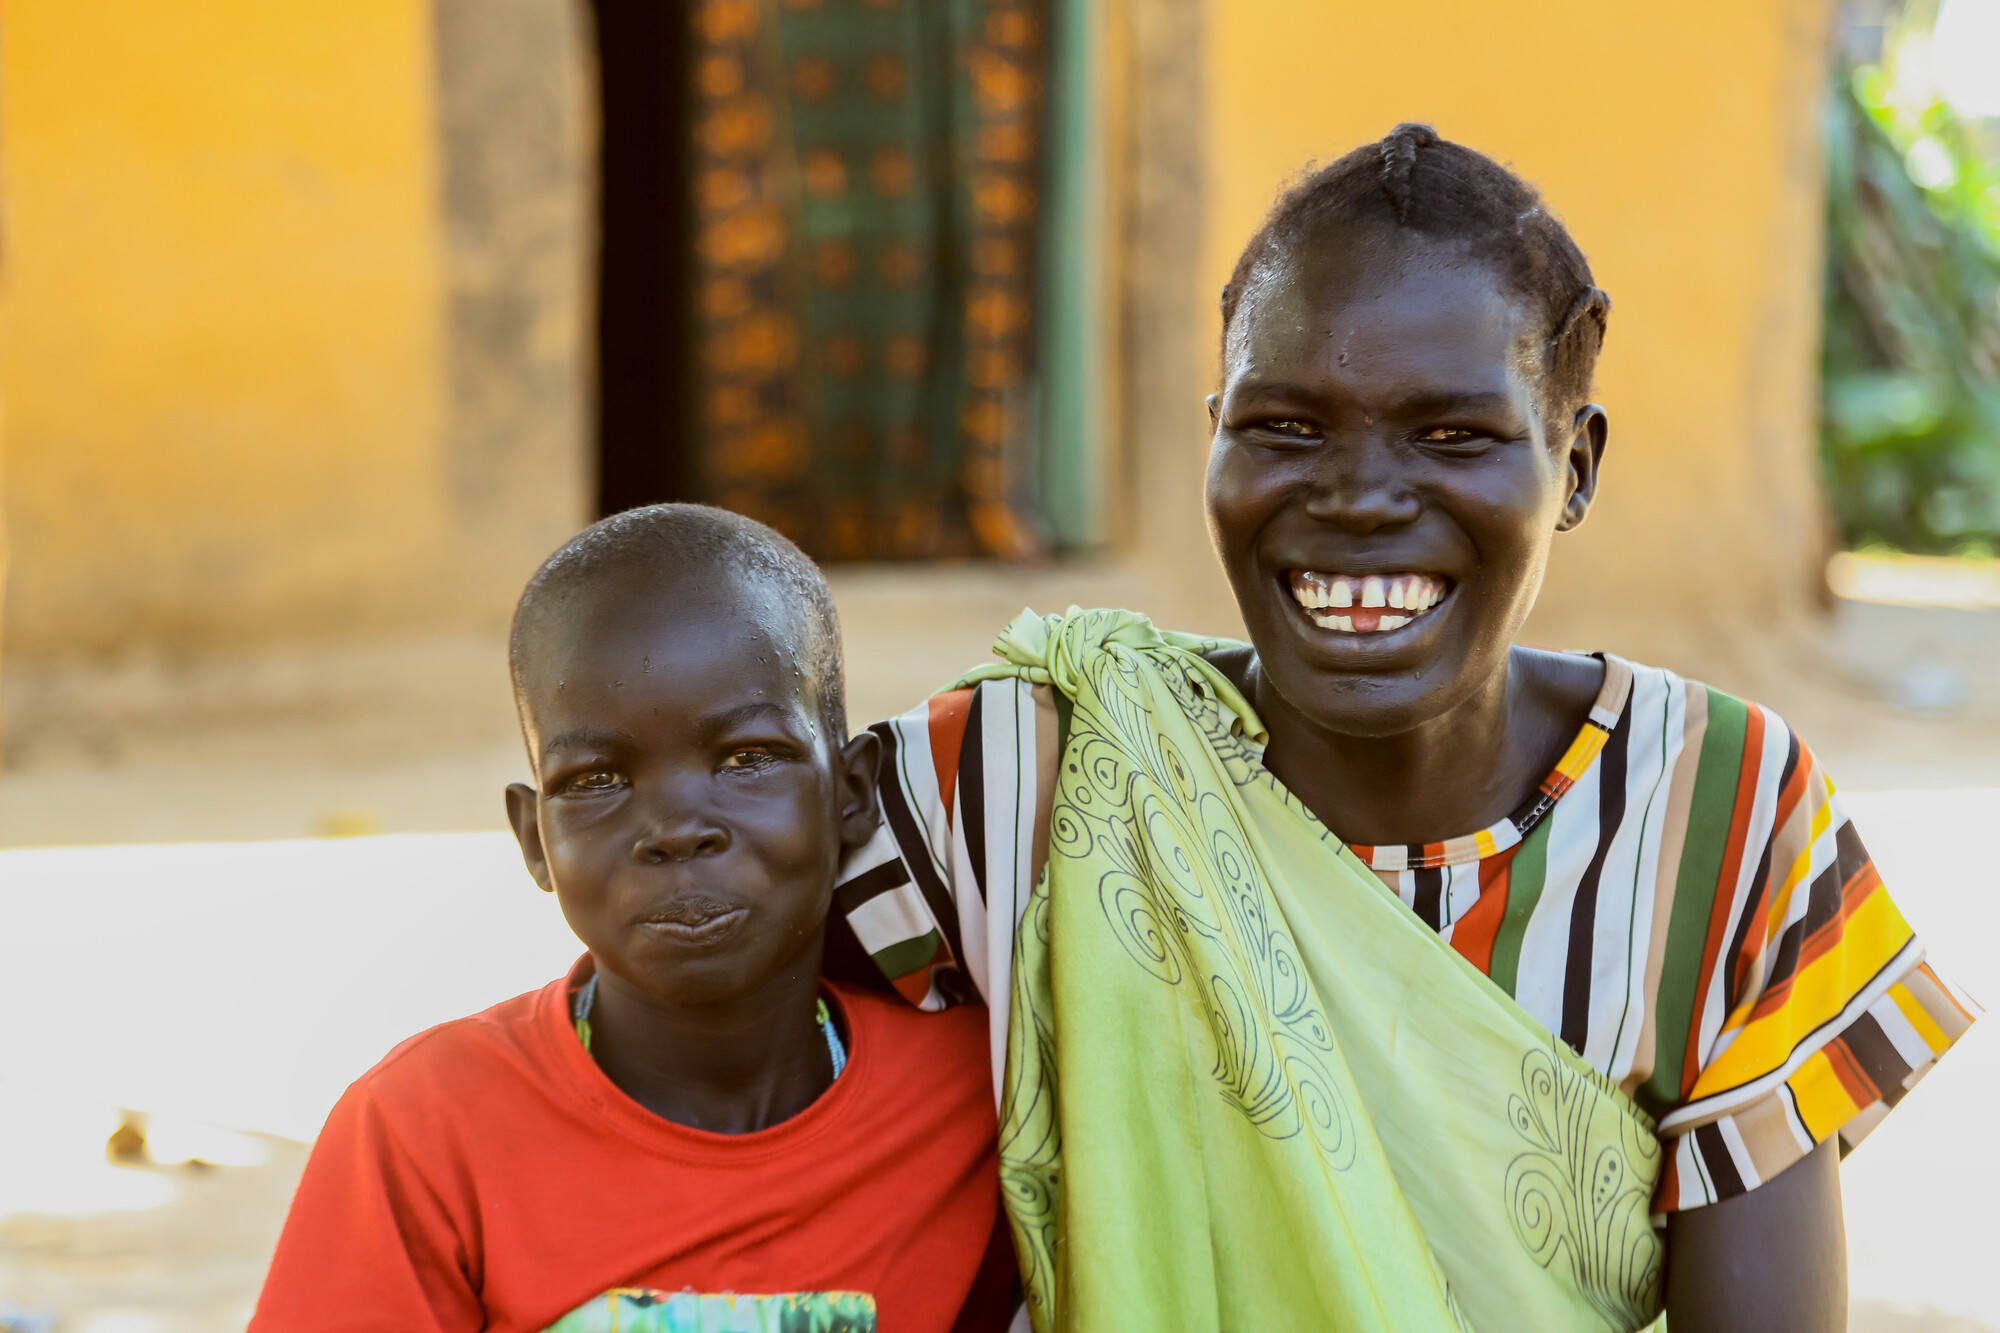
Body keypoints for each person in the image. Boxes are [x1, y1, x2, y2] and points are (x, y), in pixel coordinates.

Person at [830, 125, 1978, 1332]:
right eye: (1282, 428)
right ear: (1213, 439)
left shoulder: (1721, 818)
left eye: (1451, 436)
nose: (1358, 496)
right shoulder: (1025, 777)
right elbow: (671, 1056)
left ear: (1572, 466)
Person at [251, 505, 1014, 1333]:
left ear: (852, 793)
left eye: (747, 758)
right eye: (597, 779)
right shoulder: (424, 1132)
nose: (677, 827)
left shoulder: (984, 1099)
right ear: (533, 836)